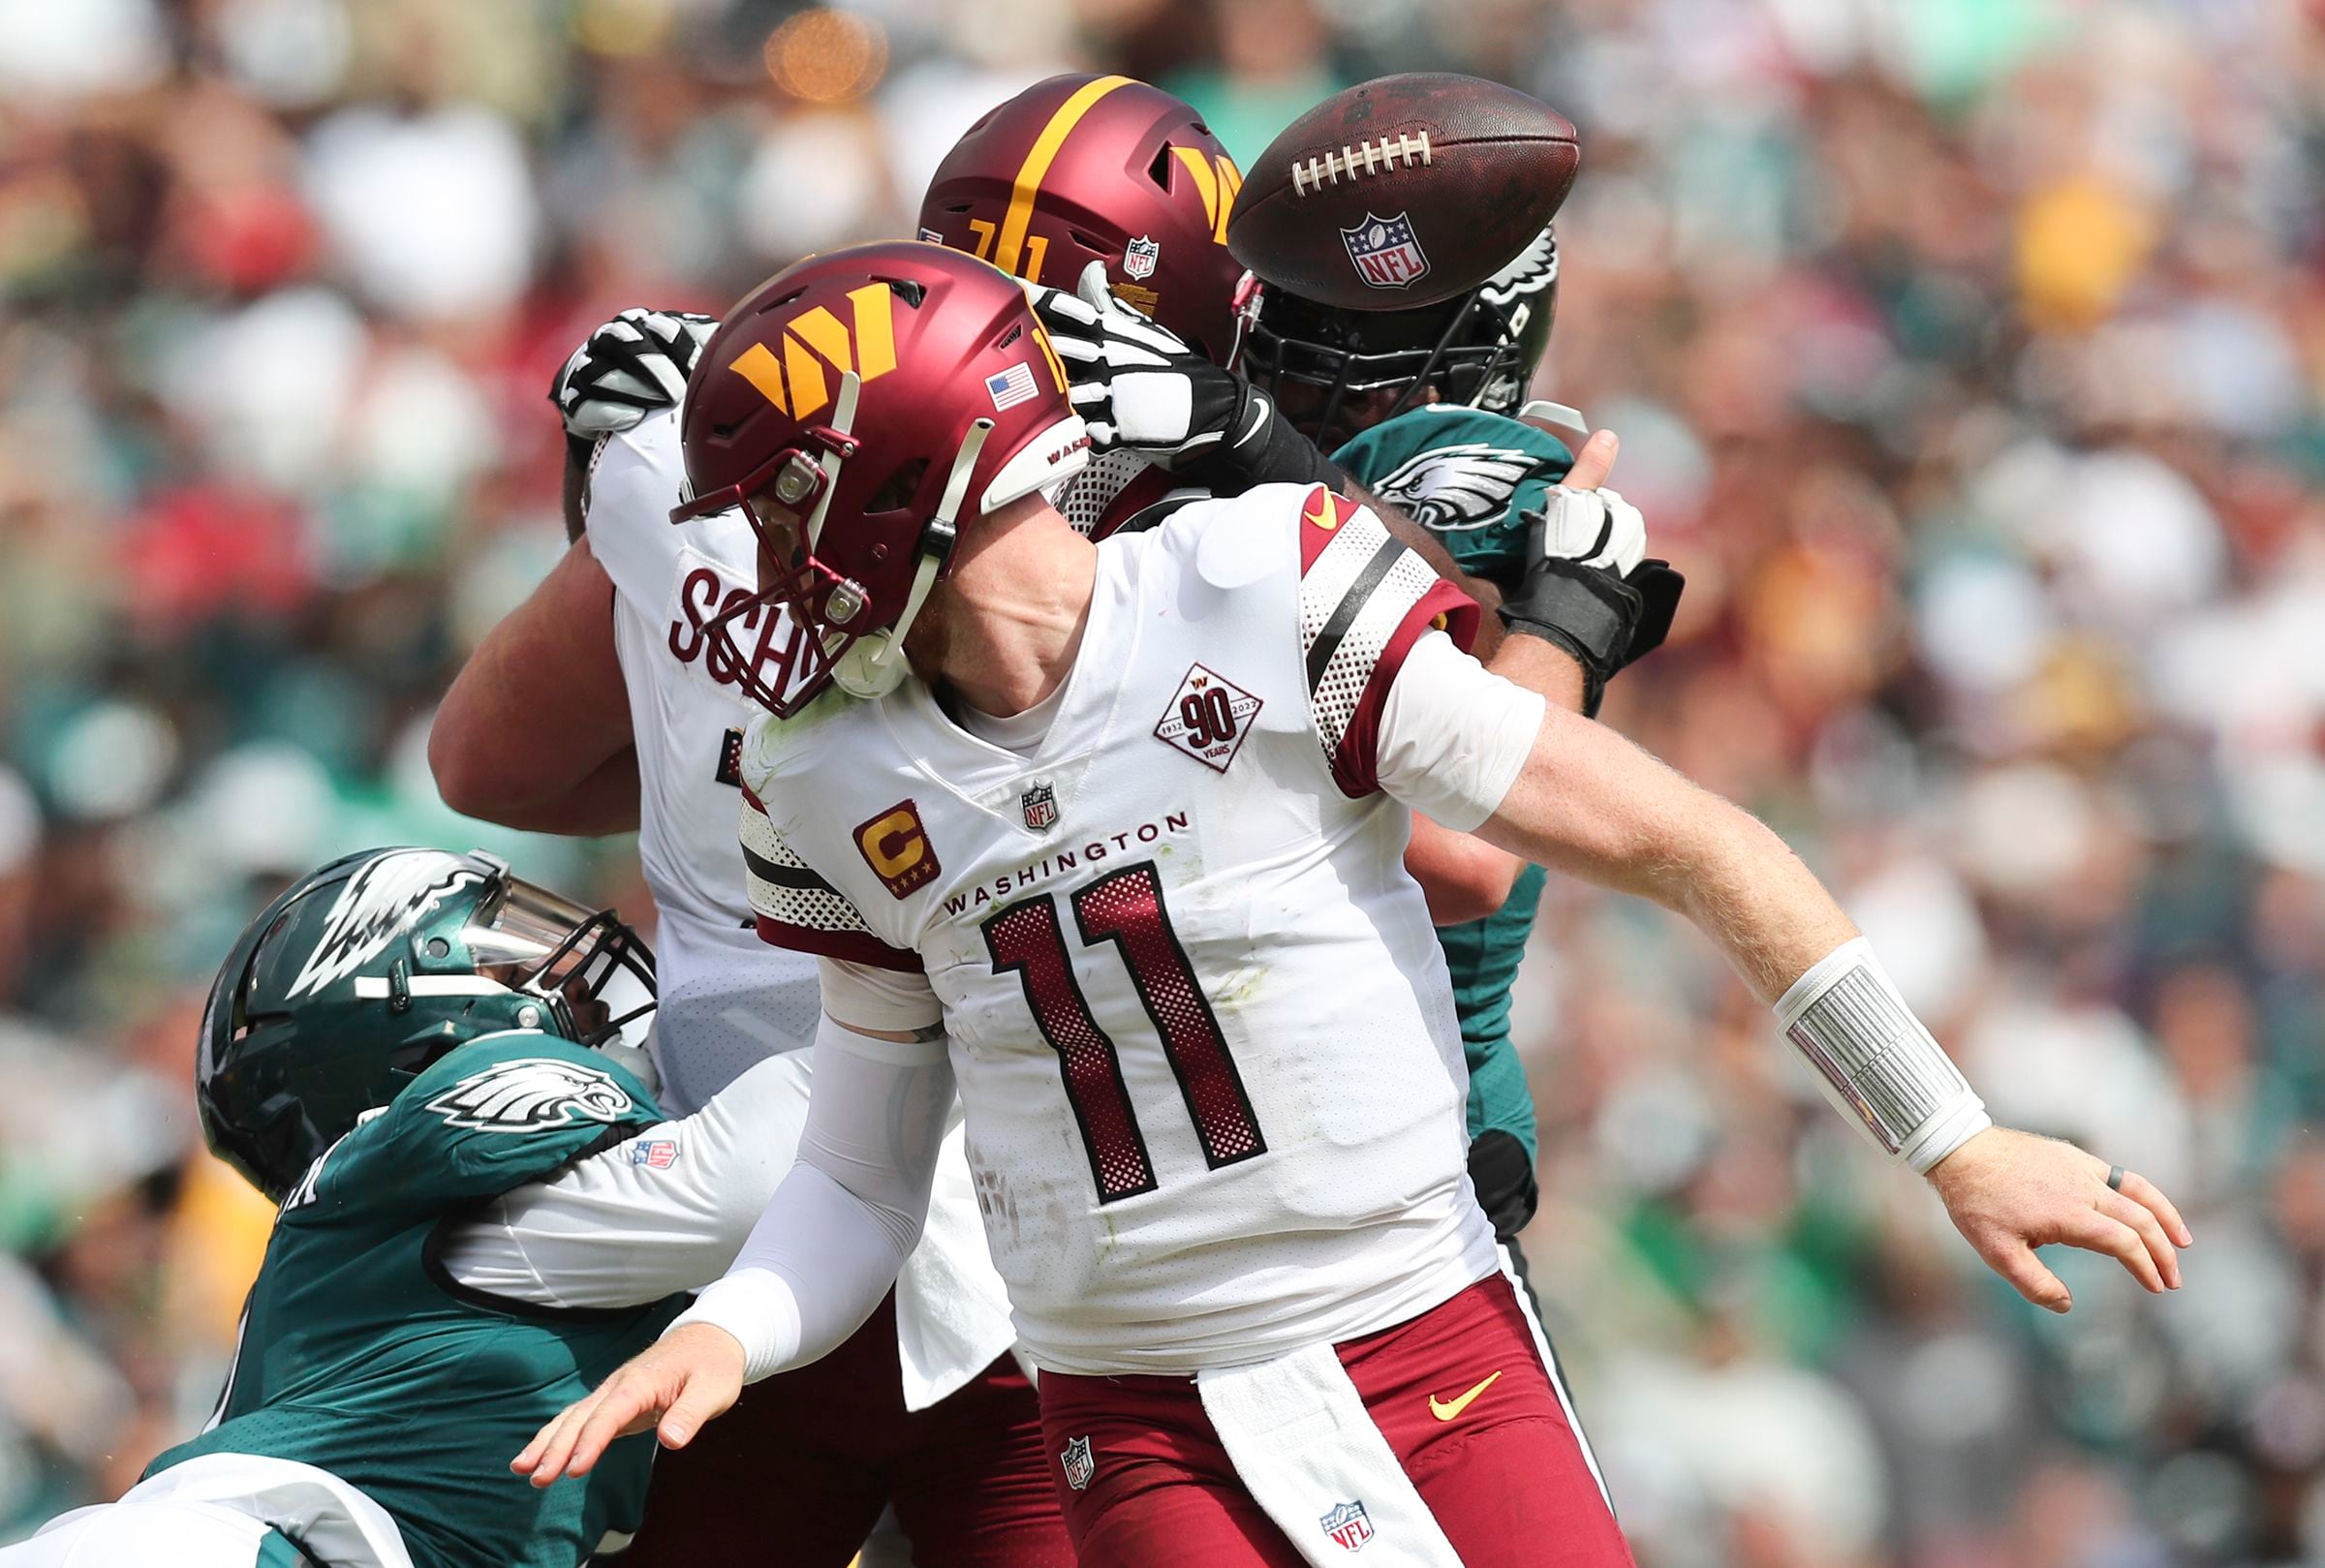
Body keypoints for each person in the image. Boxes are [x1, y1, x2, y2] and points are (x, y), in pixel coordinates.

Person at [511, 243, 2191, 1568]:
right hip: (1132, 1404)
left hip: (1420, 1326)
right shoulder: (823, 777)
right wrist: (734, 1327)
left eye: (787, 502)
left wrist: (1950, 1132)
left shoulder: (1262, 583)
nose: (758, 565)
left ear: (913, 477)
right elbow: (860, 1170)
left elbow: (1687, 839)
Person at [428, 323, 1067, 1566]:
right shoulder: (1115, 512)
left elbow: (484, 759)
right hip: (1001, 1232)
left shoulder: (677, 484)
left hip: (757, 1215)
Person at [4, 846, 799, 1568]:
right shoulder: (451, 1157)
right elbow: (776, 1160)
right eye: (502, 965)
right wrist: (896, 963)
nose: (578, 988)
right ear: (417, 1036)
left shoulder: (378, 1234)